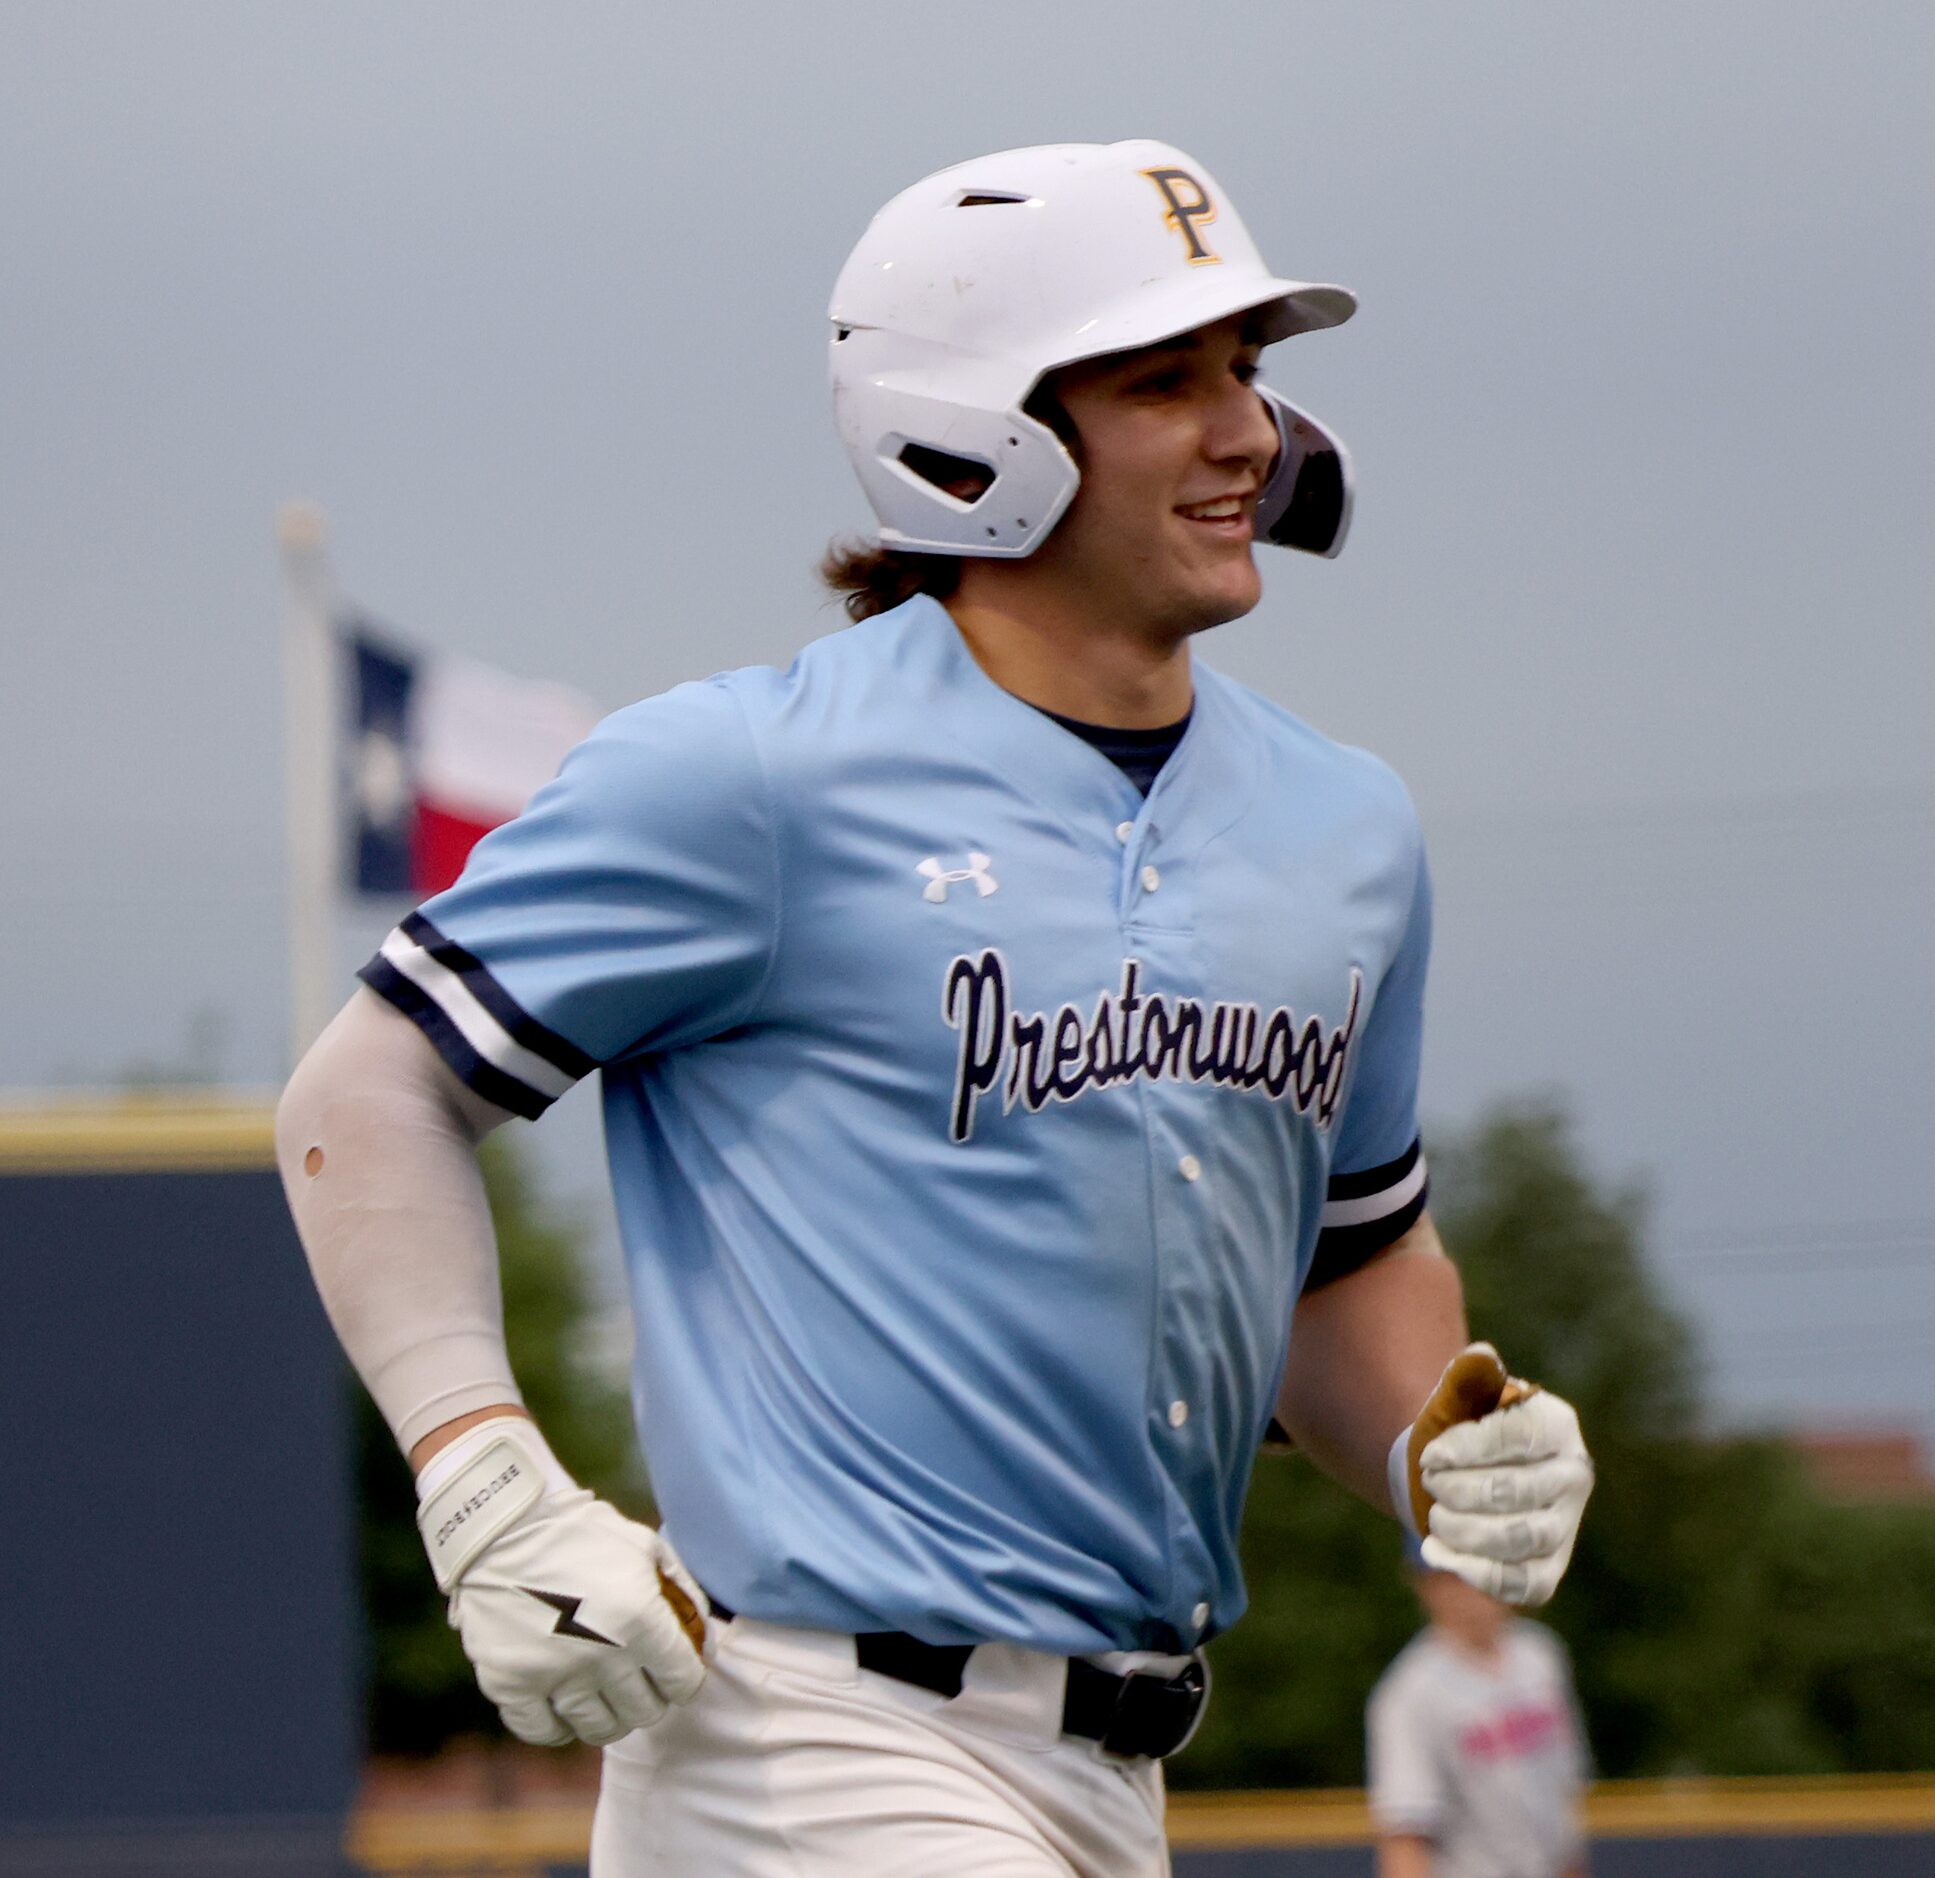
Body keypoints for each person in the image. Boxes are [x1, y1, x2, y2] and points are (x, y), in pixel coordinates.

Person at [276, 139, 1594, 1877]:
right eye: (1163, 380)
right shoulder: (751, 775)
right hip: (802, 1739)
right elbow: (365, 1093)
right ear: (977, 432)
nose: (1244, 434)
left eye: (1249, 374)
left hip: (1117, 1770)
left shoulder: (1345, 827)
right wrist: (483, 1468)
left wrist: (1436, 1432)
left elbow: (1345, 1262)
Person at [1368, 1565, 1592, 1878]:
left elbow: (1564, 1803)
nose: (1472, 1589)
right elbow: (1406, 1835)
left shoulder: (1540, 1654)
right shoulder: (1409, 1694)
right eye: (1454, 1577)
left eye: (1481, 1569)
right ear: (1425, 1586)